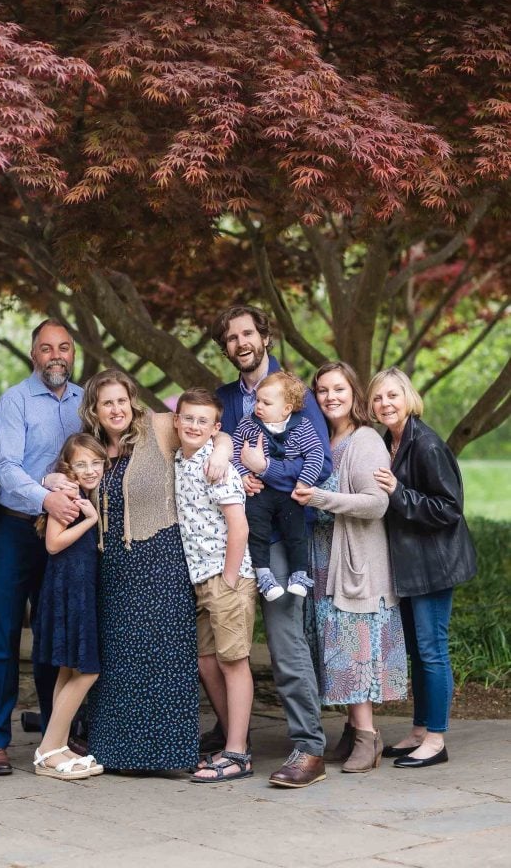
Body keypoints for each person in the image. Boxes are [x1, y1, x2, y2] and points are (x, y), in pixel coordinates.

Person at [77, 369, 232, 771]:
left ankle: (168, 754)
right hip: (110, 568)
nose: (116, 409)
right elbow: (61, 474)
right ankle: (115, 753)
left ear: (133, 401)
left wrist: (222, 450)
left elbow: (211, 426)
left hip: (160, 560)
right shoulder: (88, 447)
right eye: (107, 402)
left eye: (122, 400)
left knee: (165, 658)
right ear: (95, 408)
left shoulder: (159, 427)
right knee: (118, 662)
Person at [210, 305, 331, 788]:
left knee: (285, 641)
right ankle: (232, 738)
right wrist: (228, 454)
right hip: (230, 537)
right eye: (231, 337)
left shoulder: (294, 392)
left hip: (282, 536)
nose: (240, 342)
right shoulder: (222, 398)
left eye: (248, 333)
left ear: (265, 336)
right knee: (222, 642)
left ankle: (308, 746)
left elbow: (316, 465)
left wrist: (264, 472)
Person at [0, 319, 84, 775]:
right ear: (32, 355)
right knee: (2, 638)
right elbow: (6, 468)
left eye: (63, 347)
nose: (56, 355)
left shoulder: (85, 402)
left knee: (54, 637)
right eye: (46, 348)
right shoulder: (14, 402)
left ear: (72, 353)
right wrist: (47, 495)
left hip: (63, 535)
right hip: (17, 530)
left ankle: (53, 739)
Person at [293, 361, 407, 773]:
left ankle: (368, 736)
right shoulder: (321, 438)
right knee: (333, 650)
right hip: (323, 561)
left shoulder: (364, 441)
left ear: (353, 393)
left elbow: (376, 503)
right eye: (322, 390)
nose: (330, 397)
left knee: (353, 649)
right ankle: (350, 728)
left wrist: (320, 498)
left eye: (338, 388)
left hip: (355, 560)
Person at [369, 367, 477, 769]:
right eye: (378, 398)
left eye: (393, 396)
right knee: (416, 651)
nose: (386, 404)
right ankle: (419, 730)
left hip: (434, 564)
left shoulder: (427, 444)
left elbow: (449, 508)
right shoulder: (389, 442)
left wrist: (399, 493)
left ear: (408, 397)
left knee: (432, 651)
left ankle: (436, 738)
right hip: (409, 565)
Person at [173, 388, 257, 783]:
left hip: (227, 576)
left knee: (233, 661)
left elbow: (239, 527)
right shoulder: (178, 459)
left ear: (215, 428)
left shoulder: (217, 466)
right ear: (176, 421)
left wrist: (227, 578)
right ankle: (233, 740)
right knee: (207, 662)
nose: (193, 426)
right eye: (187, 418)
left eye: (203, 421)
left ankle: (238, 754)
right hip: (199, 579)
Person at [32, 434, 107, 781]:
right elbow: (53, 544)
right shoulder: (70, 496)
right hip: (67, 590)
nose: (90, 470)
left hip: (81, 589)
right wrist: (91, 521)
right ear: (69, 469)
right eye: (81, 464)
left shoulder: (90, 495)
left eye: (96, 462)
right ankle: (47, 750)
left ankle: (58, 744)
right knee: (88, 671)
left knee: (68, 670)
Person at [233, 370, 325, 600]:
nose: (258, 406)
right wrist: (243, 474)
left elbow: (316, 454)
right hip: (259, 491)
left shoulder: (301, 426)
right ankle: (264, 575)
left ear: (286, 409)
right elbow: (235, 451)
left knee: (296, 531)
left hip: (288, 492)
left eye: (266, 402)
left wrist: (304, 481)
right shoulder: (248, 424)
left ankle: (299, 575)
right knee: (257, 531)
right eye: (257, 400)